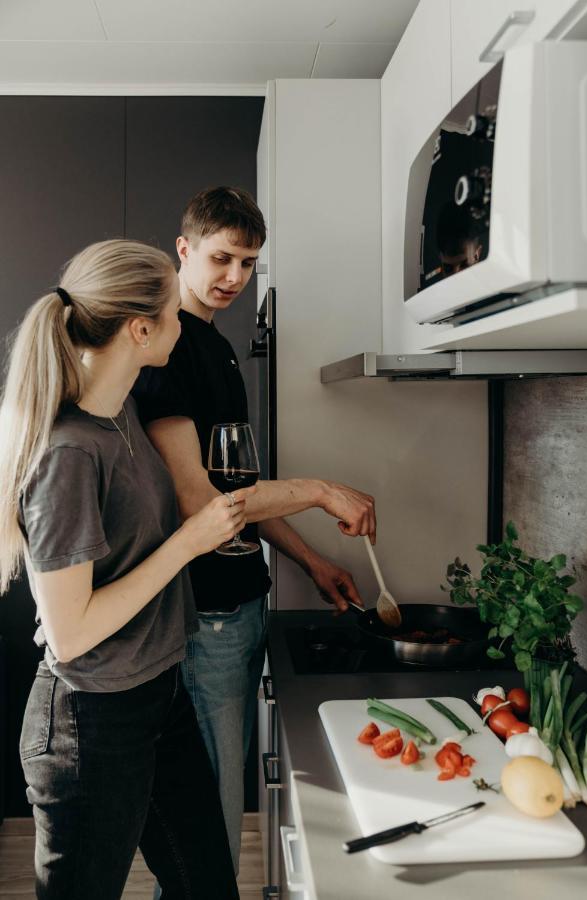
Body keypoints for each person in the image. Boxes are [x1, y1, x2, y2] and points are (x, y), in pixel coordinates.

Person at [0, 239, 253, 899]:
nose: (184, 324)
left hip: (155, 698)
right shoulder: (69, 454)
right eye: (174, 313)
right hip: (90, 725)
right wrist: (188, 543)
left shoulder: (122, 416)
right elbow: (70, 635)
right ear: (141, 330)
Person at [133, 186, 377, 871]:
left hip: (237, 605)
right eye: (222, 258)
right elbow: (198, 500)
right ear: (182, 249)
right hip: (204, 612)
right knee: (206, 816)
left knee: (209, 809)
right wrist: (322, 490)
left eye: (249, 264)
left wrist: (307, 561)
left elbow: (242, 494)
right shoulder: (169, 351)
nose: (235, 277)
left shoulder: (213, 346)